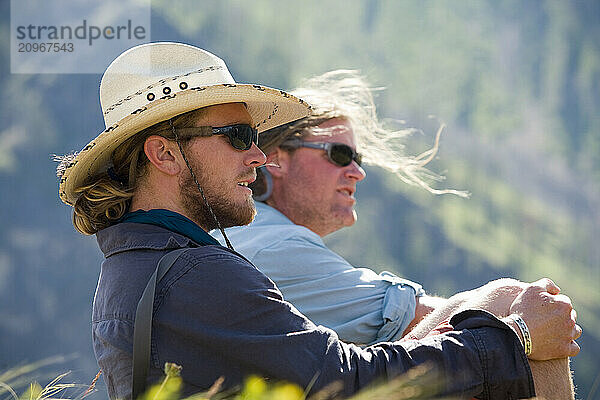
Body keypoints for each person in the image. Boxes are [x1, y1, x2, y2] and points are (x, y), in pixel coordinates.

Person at [58, 42, 570, 400]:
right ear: (165, 155)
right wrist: (516, 338)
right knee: (507, 300)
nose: (258, 157)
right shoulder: (197, 273)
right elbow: (343, 382)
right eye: (237, 136)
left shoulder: (137, 266)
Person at [216, 70, 582, 399]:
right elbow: (415, 316)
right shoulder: (277, 244)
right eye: (340, 154)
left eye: (359, 159)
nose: (357, 172)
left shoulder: (252, 232)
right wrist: (528, 324)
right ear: (277, 160)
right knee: (510, 298)